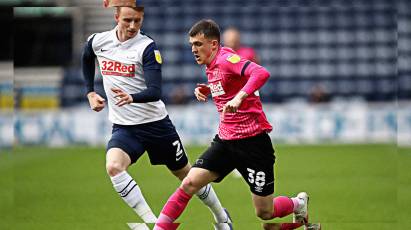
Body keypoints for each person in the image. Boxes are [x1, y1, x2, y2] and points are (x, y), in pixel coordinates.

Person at [154, 19, 321, 230]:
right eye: (191, 45)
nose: (194, 50)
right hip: (225, 142)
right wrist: (209, 89)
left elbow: (261, 73)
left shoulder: (225, 59)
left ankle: (298, 204)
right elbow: (228, 82)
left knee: (265, 212)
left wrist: (240, 97)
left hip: (253, 144)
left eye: (198, 44)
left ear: (213, 44)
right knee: (189, 183)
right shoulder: (211, 65)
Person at [82, 6, 232, 230]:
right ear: (116, 18)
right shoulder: (98, 41)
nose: (133, 26)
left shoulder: (146, 47)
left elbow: (155, 91)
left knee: (188, 176)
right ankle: (153, 224)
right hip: (124, 127)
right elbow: (87, 57)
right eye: (128, 20)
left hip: (156, 125)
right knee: (114, 167)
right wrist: (90, 92)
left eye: (138, 21)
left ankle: (221, 216)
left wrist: (131, 97)